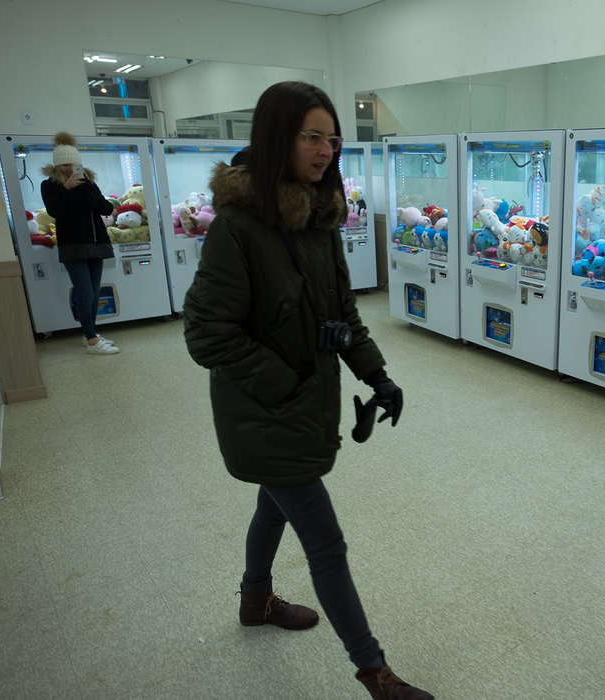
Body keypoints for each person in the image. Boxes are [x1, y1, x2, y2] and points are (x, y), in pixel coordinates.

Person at [183, 82, 433, 700]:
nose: (326, 149)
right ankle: (374, 671)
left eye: (332, 137)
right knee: (325, 541)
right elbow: (206, 334)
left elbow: (340, 310)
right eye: (311, 136)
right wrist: (286, 382)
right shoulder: (237, 227)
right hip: (266, 407)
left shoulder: (319, 216)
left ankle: (254, 599)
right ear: (277, 140)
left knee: (274, 502)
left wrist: (376, 374)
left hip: (303, 403)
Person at [41, 131, 119, 355]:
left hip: (96, 243)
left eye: (73, 163)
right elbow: (54, 210)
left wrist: (89, 189)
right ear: (57, 165)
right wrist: (67, 189)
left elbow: (105, 209)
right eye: (65, 164)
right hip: (73, 246)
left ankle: (90, 334)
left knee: (94, 293)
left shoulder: (88, 182)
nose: (69, 168)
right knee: (84, 294)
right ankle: (93, 341)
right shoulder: (50, 186)